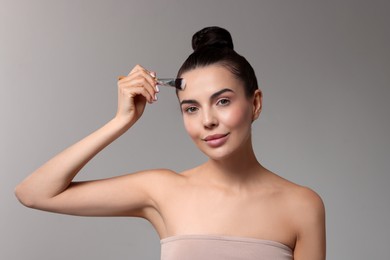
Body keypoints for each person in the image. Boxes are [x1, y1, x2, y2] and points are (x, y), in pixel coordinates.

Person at [15, 26, 326, 259]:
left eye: (222, 101)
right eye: (191, 108)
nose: (207, 120)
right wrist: (121, 121)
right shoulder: (163, 190)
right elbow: (34, 193)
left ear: (255, 103)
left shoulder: (302, 205)